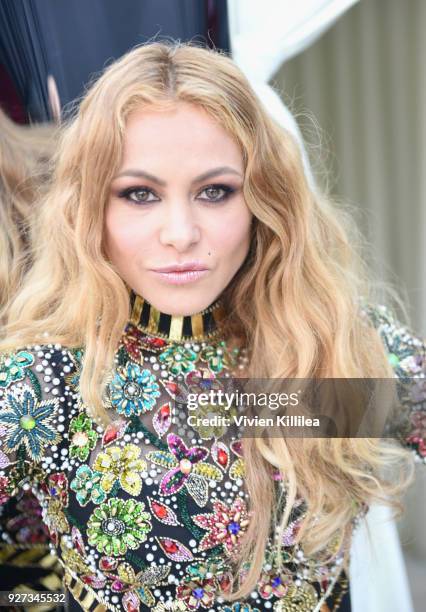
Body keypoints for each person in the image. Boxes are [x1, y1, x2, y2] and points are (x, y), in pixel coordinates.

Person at [0, 41, 424, 612]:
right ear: (89, 209)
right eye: (140, 194)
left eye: (215, 191)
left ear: (265, 199)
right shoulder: (46, 382)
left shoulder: (333, 343)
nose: (181, 232)